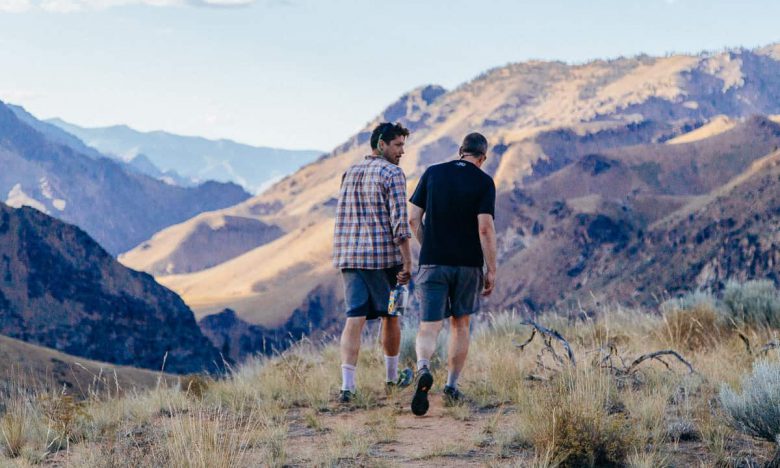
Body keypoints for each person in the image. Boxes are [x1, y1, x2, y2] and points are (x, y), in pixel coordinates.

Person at [407, 132, 497, 416]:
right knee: (460, 324)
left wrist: (429, 244)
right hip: (468, 265)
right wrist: (491, 268)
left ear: (460, 151)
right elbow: (485, 228)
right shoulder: (484, 181)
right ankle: (451, 386)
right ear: (482, 158)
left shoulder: (433, 173)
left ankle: (423, 367)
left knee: (429, 325)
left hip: (433, 262)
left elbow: (412, 218)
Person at [332, 122, 415, 403]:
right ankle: (392, 379)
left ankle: (348, 387)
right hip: (385, 261)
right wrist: (407, 261)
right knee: (392, 315)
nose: (402, 151)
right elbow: (400, 223)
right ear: (381, 144)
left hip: (350, 259)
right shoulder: (393, 174)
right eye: (397, 145)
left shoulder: (349, 172)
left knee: (354, 318)